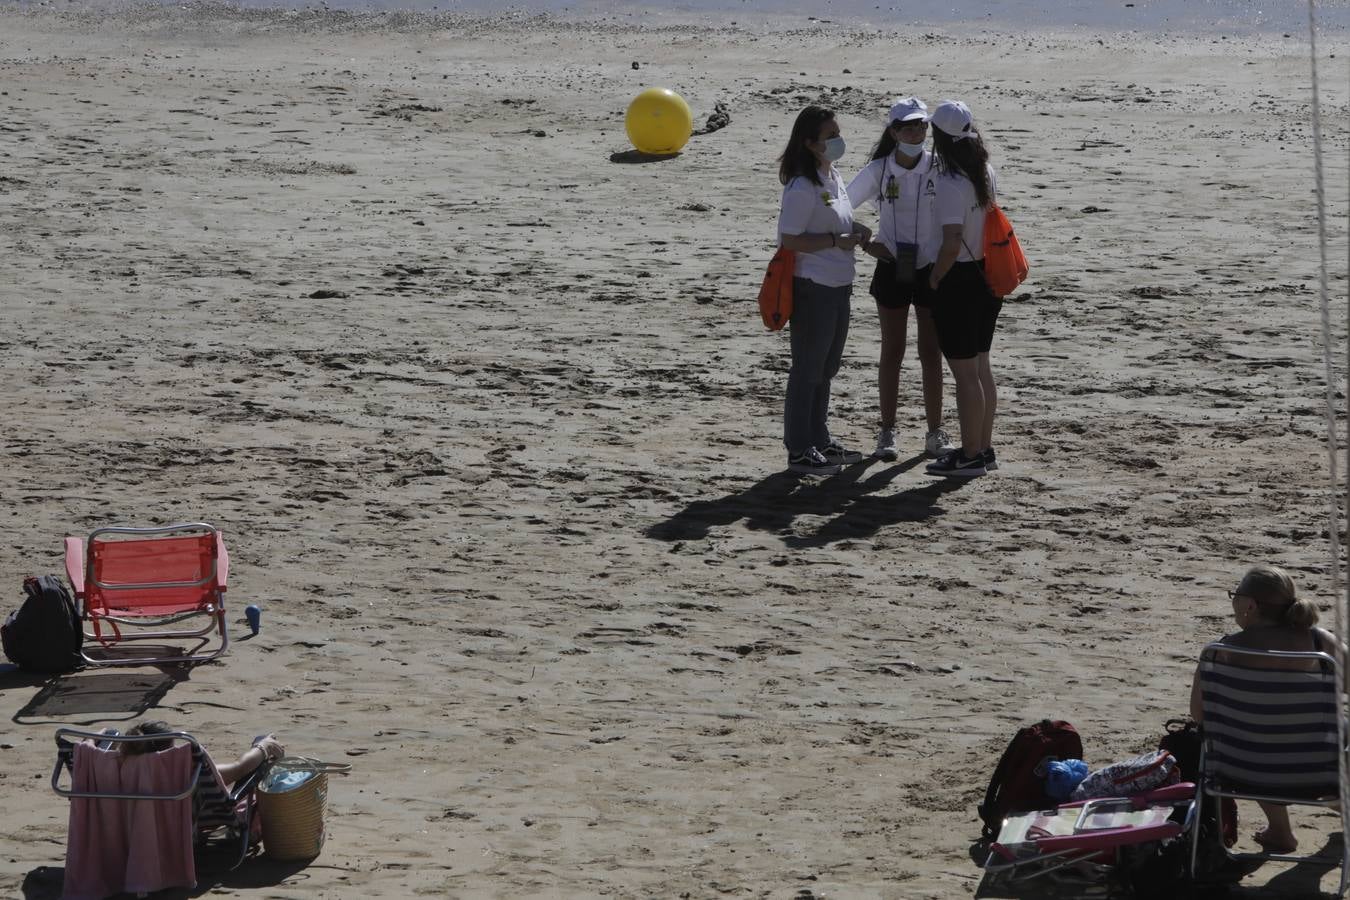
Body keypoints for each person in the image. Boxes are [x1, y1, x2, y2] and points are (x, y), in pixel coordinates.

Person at [1188, 565, 1339, 855]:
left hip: (1242, 771)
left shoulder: (1218, 653)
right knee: (1325, 734)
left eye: (1235, 595)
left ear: (1250, 605)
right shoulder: (1318, 643)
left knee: (1250, 730)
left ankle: (1281, 832)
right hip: (1315, 773)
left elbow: (1199, 715)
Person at [846, 97, 954, 462]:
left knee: (931, 352)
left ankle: (935, 432)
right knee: (893, 350)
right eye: (908, 126)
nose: (917, 132)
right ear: (893, 132)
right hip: (893, 268)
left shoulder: (940, 167)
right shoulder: (879, 170)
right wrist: (867, 240)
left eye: (921, 125)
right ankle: (887, 431)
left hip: (932, 269)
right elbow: (841, 205)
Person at [776, 105, 872, 475]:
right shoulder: (802, 185)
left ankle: (819, 439)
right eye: (830, 136)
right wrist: (837, 239)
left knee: (826, 367)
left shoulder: (833, 176)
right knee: (808, 368)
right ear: (810, 143)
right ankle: (799, 447)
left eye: (837, 133)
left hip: (839, 284)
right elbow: (790, 239)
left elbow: (841, 221)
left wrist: (858, 232)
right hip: (812, 285)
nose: (837, 141)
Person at [923, 100, 1001, 479]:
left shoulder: (950, 179)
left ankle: (970, 454)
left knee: (965, 373)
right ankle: (982, 447)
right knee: (981, 367)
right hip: (987, 276)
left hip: (961, 278)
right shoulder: (984, 170)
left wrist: (936, 276)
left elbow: (952, 241)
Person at [120, 720, 286, 787]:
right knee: (257, 767)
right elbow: (239, 768)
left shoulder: (115, 769)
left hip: (132, 830)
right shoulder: (181, 771)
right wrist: (264, 747)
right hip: (185, 824)